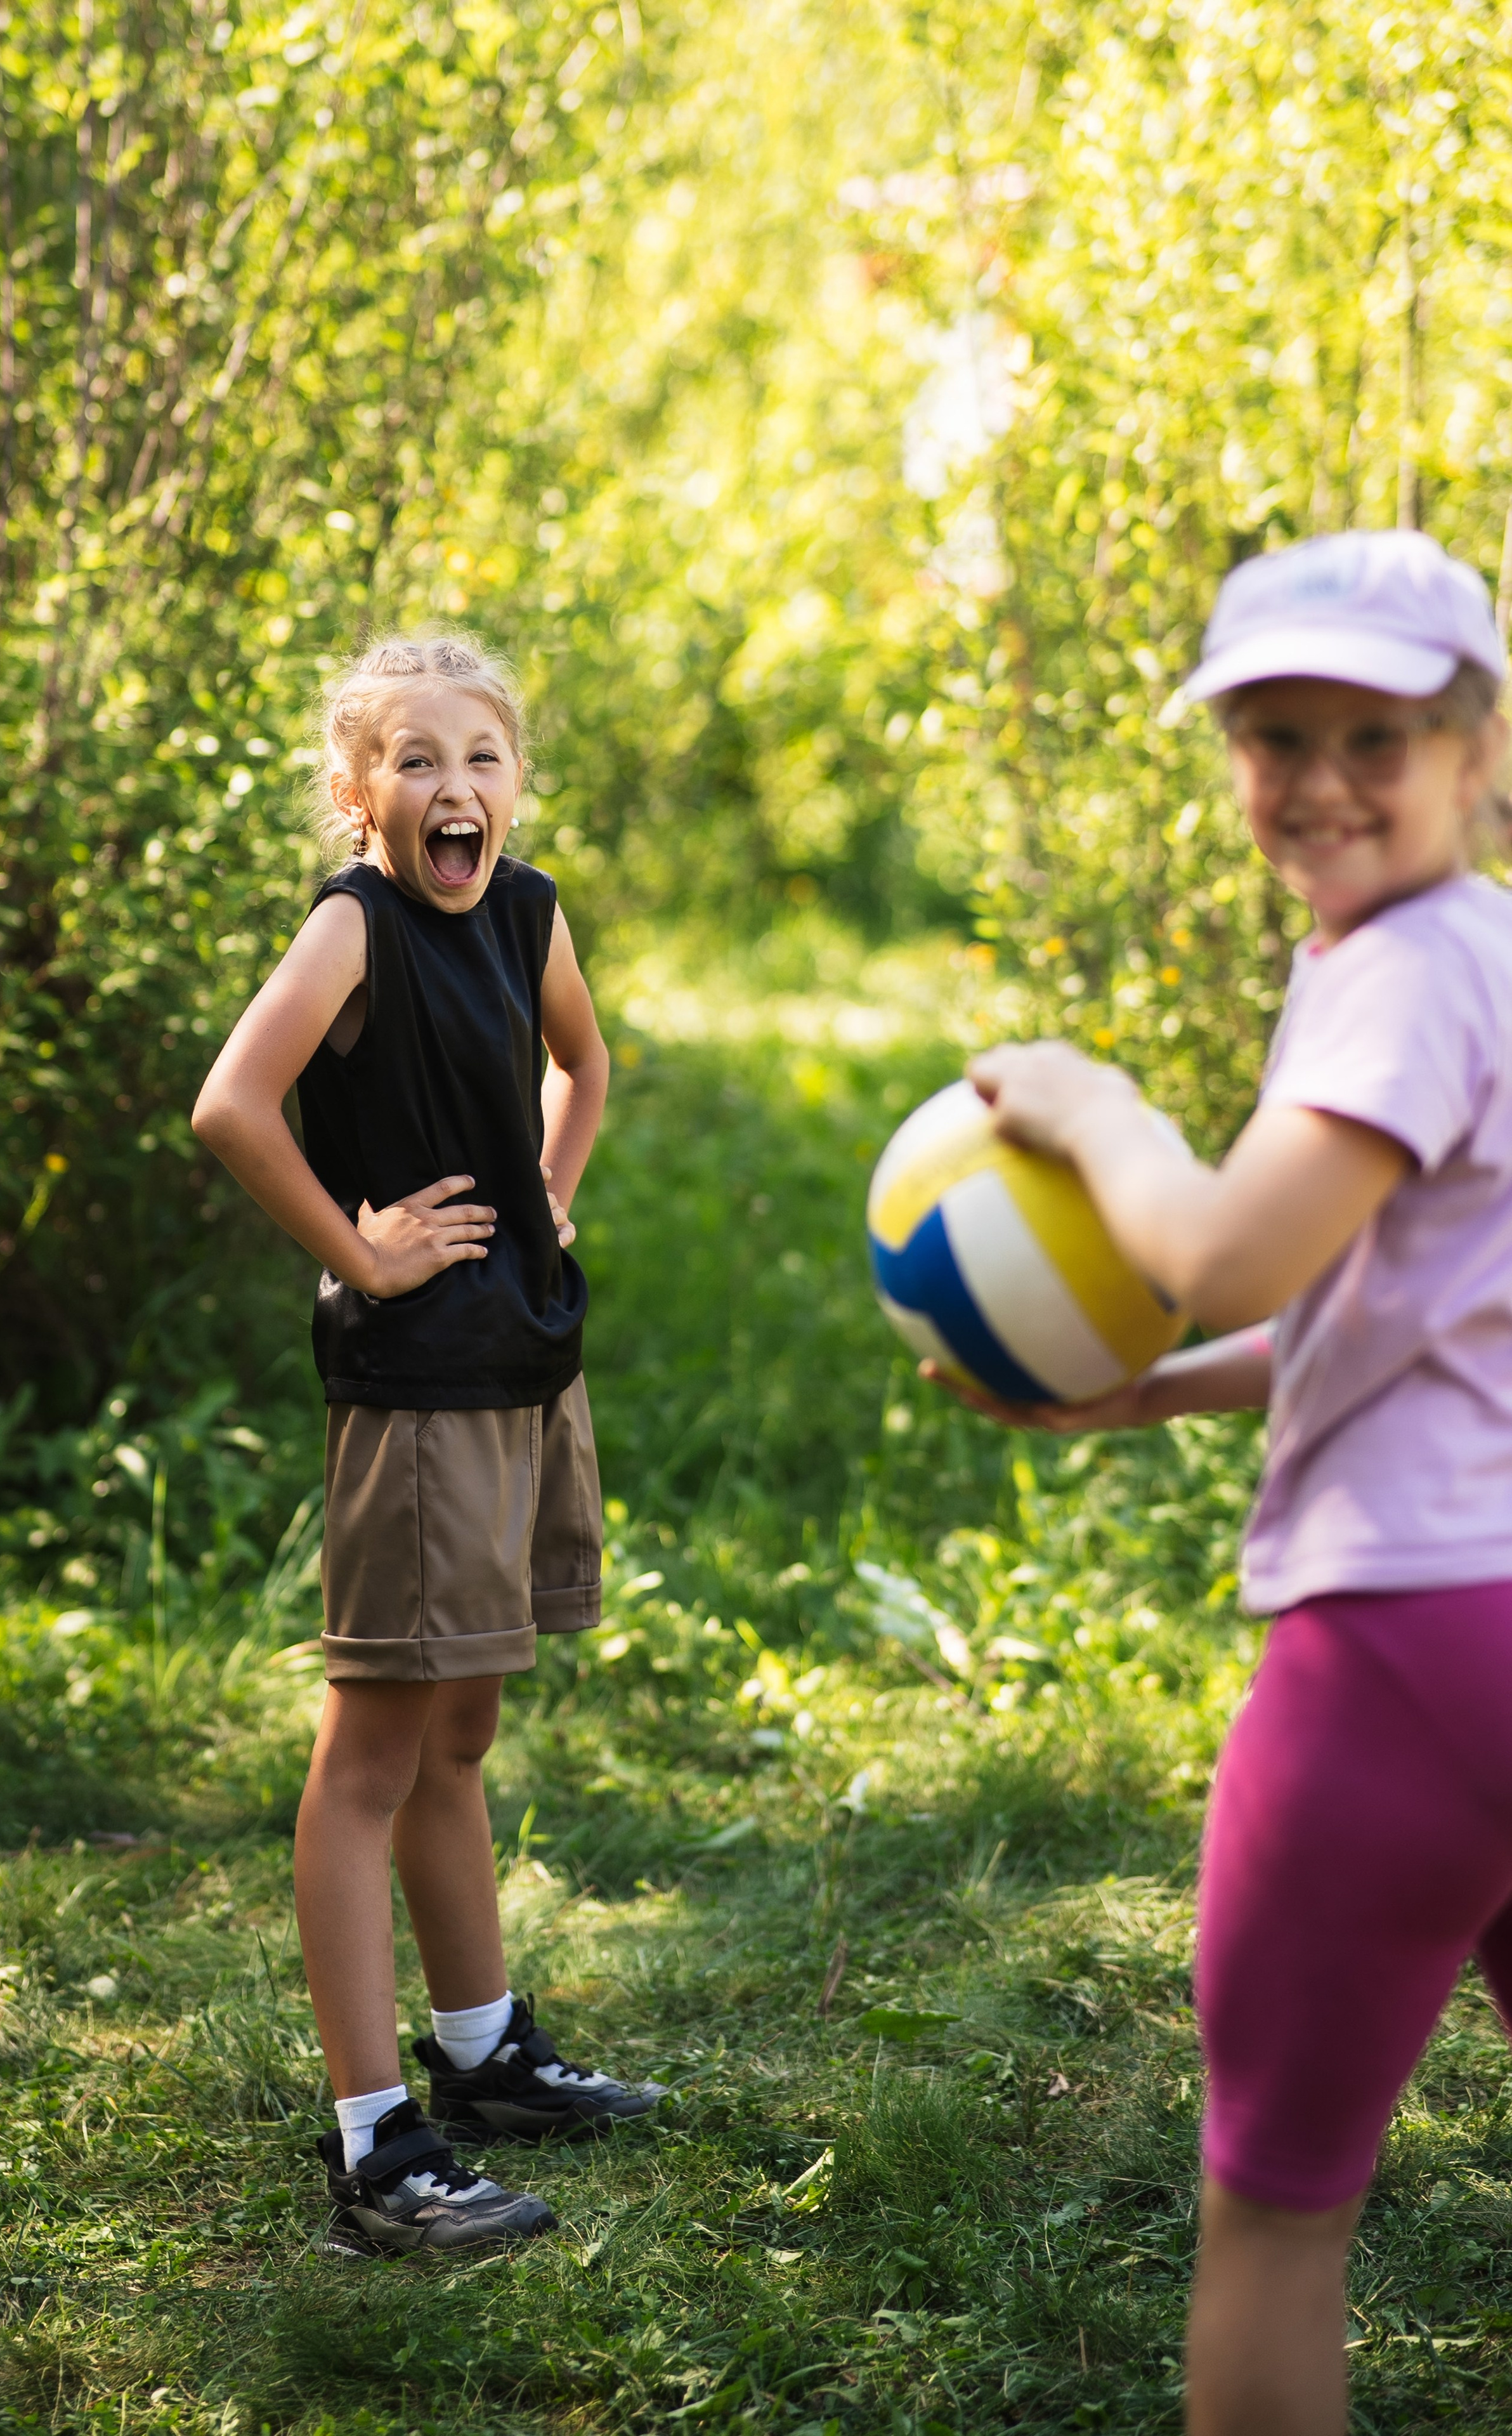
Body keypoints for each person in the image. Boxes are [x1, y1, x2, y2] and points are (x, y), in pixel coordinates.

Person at [924, 530, 1512, 2436]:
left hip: (1402, 1668)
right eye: (1277, 734)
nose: (1323, 779)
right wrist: (1140, 1398)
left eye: (1378, 735)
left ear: (1476, 745)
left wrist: (1098, 1112)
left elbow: (1229, 1252)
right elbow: (1390, 1318)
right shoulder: (1479, 958)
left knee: (1276, 2211)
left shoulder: (1401, 982)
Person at [193, 630, 660, 2256]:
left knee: (460, 1735)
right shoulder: (352, 928)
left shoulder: (526, 908)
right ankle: (372, 2144)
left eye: (480, 758)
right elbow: (231, 1107)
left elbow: (584, 1062)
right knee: (373, 1757)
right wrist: (362, 1246)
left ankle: (481, 2057)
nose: (452, 787)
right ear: (357, 794)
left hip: (529, 1372)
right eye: (414, 761)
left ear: (517, 784)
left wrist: (549, 1195)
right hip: (414, 1396)